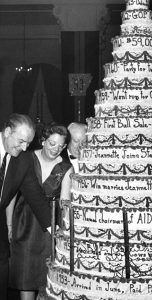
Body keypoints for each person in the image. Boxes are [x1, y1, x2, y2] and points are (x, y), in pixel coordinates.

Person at [9, 122, 72, 300]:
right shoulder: (25, 158)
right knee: (25, 274)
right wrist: (8, 224)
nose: (56, 149)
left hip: (50, 222)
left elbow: (65, 202)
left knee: (46, 274)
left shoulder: (66, 168)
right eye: (52, 143)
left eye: (61, 146)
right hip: (24, 221)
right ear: (43, 141)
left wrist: (64, 232)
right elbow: (11, 194)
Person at [0, 113, 51, 299]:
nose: (24, 148)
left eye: (28, 143)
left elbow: (36, 197)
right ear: (7, 132)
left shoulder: (24, 159)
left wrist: (55, 229)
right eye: (21, 141)